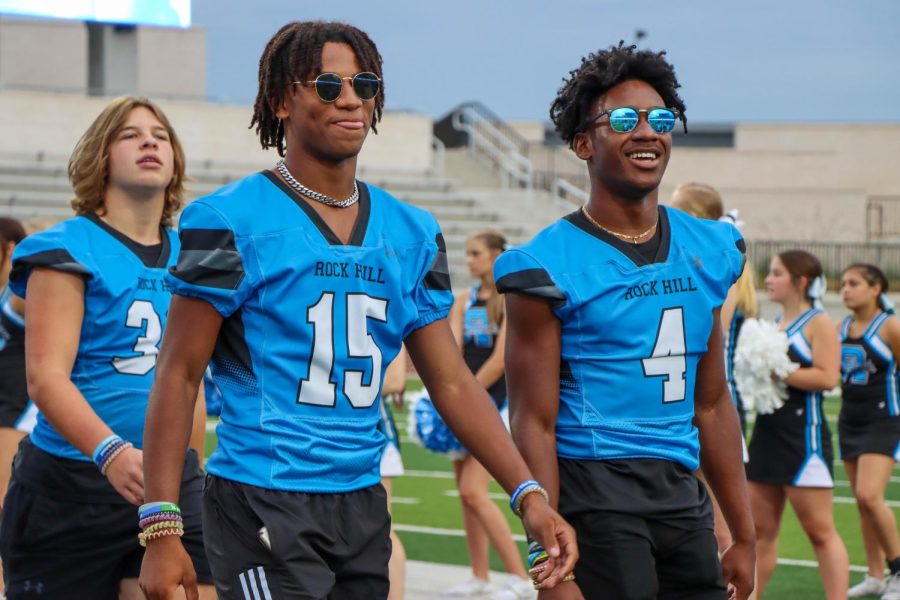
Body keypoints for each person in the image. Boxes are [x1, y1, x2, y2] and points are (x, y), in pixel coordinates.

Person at [138, 21, 577, 600]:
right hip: (260, 498)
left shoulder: (412, 231)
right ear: (280, 101)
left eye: (363, 84)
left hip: (362, 500)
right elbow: (179, 372)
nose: (349, 98)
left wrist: (528, 494)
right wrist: (161, 524)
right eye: (325, 85)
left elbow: (450, 382)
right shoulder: (228, 219)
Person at [495, 43, 756, 599]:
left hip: (680, 490)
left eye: (660, 119)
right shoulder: (545, 264)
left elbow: (711, 402)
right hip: (596, 488)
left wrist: (743, 532)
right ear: (583, 142)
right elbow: (532, 420)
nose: (647, 131)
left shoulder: (707, 247)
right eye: (623, 120)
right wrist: (548, 559)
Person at [0, 96, 214, 599]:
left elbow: (191, 380)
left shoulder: (198, 258)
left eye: (160, 135)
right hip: (70, 487)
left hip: (165, 486)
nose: (149, 141)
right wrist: (111, 452)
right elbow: (46, 377)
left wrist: (187, 472)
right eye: (130, 134)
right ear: (101, 155)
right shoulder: (66, 247)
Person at [745, 249, 848, 598]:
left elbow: (827, 377)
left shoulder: (818, 322)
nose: (769, 280)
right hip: (767, 432)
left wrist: (779, 371)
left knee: (819, 531)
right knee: (760, 530)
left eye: (776, 273)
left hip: (805, 438)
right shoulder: (774, 323)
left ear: (800, 281)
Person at [670, 182, 759, 551]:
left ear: (693, 216)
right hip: (689, 398)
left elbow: (707, 333)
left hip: (711, 400)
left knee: (720, 529)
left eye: (675, 208)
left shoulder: (718, 266)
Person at [446, 229, 532, 599]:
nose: (470, 260)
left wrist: (468, 398)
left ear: (497, 255)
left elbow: (500, 359)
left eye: (476, 253)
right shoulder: (464, 301)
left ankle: (521, 577)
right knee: (464, 494)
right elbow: (450, 353)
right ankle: (479, 576)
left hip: (495, 404)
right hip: (468, 402)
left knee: (474, 490)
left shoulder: (509, 301)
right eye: (467, 254)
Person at [838, 263, 900, 599]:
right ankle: (876, 575)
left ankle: (898, 570)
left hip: (883, 418)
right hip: (850, 420)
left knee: (869, 496)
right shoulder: (841, 326)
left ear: (875, 288)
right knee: (862, 504)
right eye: (844, 283)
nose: (846, 289)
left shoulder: (889, 327)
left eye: (854, 283)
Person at [380, 350, 408, 600]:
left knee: (383, 527)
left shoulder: (384, 310)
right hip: (340, 437)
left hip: (376, 436)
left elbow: (396, 380)